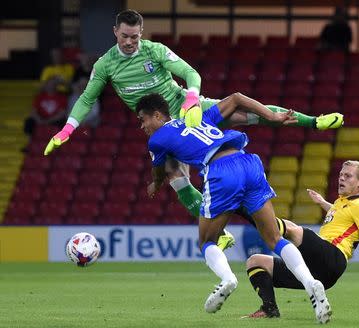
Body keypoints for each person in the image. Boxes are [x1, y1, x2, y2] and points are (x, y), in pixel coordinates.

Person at [43, 9, 343, 249]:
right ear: (115, 33)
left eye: (134, 36)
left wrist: (190, 99)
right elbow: (86, 98)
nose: (130, 42)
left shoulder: (154, 50)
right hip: (164, 129)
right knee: (176, 177)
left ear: (141, 33)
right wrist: (66, 130)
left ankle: (313, 121)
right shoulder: (106, 65)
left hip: (190, 112)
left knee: (243, 112)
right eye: (125, 37)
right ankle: (219, 235)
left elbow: (189, 73)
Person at [137, 92, 332, 324]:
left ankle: (228, 278)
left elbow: (159, 170)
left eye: (143, 119)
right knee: (274, 238)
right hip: (248, 163)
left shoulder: (157, 139)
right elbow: (238, 98)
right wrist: (272, 115)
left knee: (207, 241)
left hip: (221, 170)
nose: (142, 126)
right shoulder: (198, 117)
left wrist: (155, 184)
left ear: (157, 115)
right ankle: (311, 284)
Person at [244, 160, 359, 319]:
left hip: (333, 256)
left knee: (294, 231)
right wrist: (322, 202)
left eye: (348, 176)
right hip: (320, 272)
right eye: (341, 175)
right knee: (256, 262)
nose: (341, 178)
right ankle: (269, 309)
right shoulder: (342, 203)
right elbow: (340, 214)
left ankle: (249, 210)